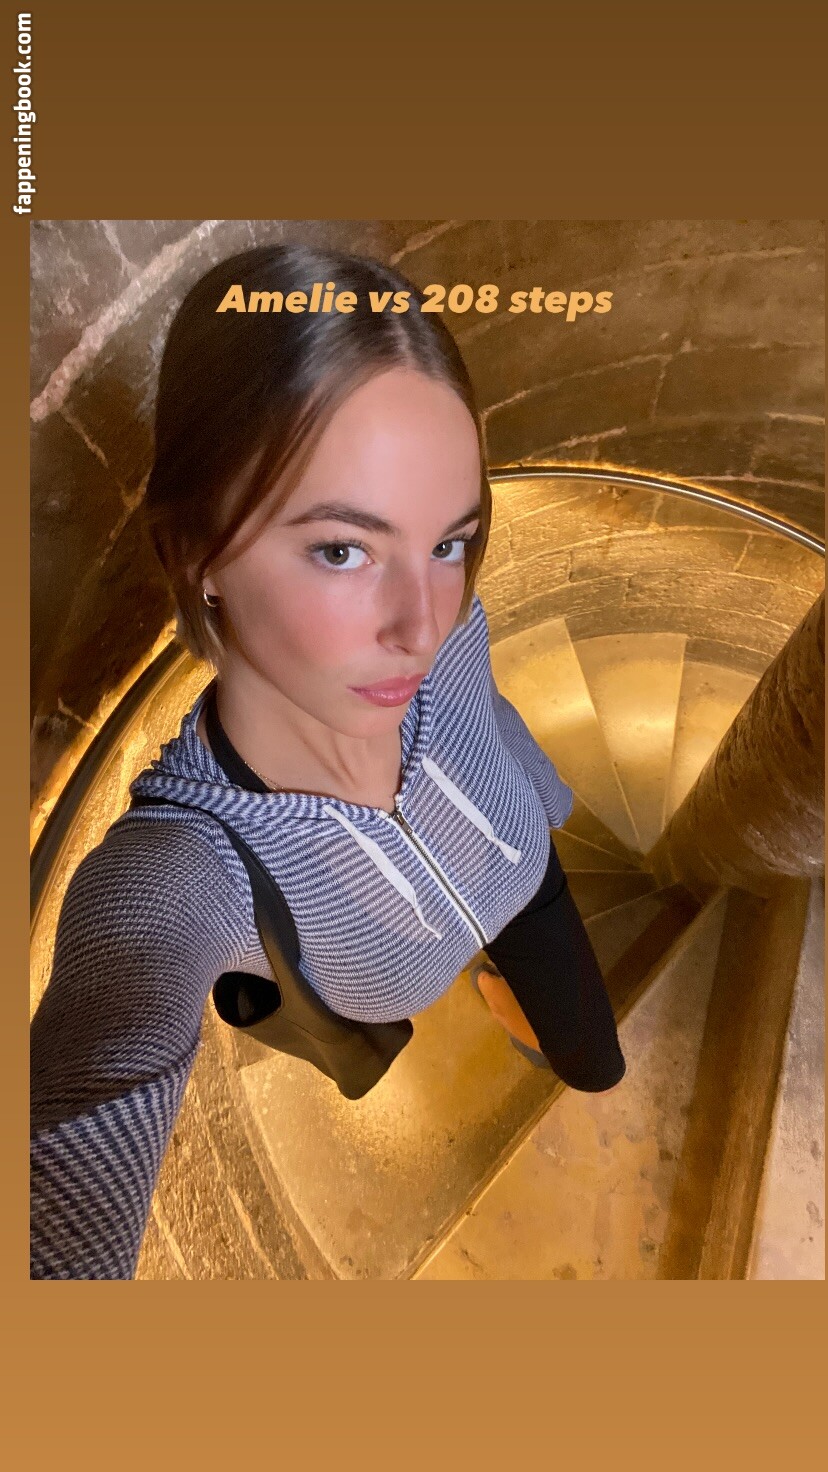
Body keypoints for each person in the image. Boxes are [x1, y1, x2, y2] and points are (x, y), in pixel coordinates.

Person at [30, 242, 626, 1280]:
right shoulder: (177, 875)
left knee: (596, 1064)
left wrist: (539, 796)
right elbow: (83, 1108)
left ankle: (501, 980)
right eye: (343, 549)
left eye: (448, 541)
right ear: (195, 556)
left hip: (530, 880)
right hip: (394, 974)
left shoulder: (449, 627)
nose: (423, 625)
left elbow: (485, 706)